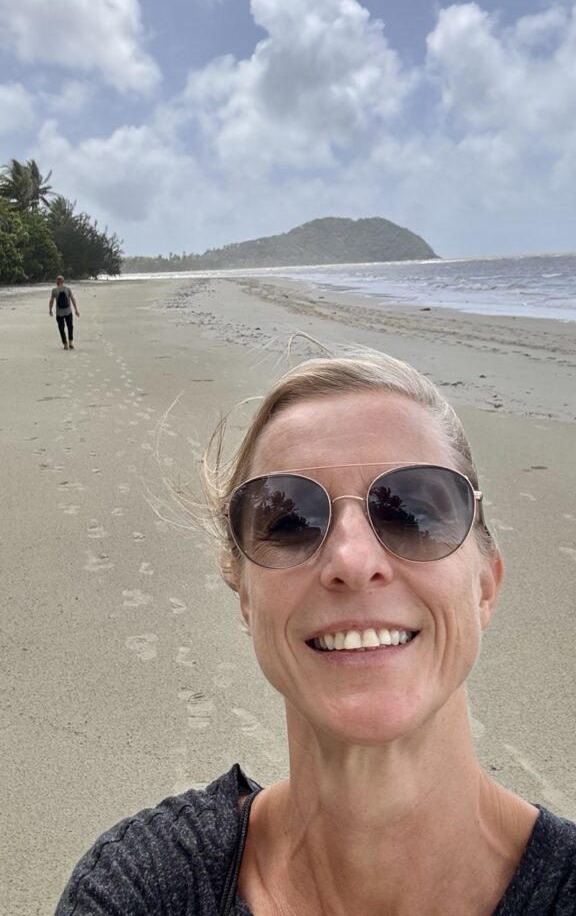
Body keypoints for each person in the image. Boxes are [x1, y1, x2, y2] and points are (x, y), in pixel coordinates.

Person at [55, 350, 576, 914]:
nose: (352, 560)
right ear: (246, 596)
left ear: (485, 584)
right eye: (291, 521)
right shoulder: (145, 888)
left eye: (413, 512)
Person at [49, 275, 79, 350]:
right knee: (70, 326)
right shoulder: (68, 289)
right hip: (68, 311)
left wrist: (50, 310)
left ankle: (65, 344)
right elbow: (72, 299)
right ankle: (71, 342)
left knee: (61, 328)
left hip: (59, 313)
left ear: (57, 281)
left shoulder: (54, 290)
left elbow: (52, 301)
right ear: (63, 281)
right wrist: (76, 309)